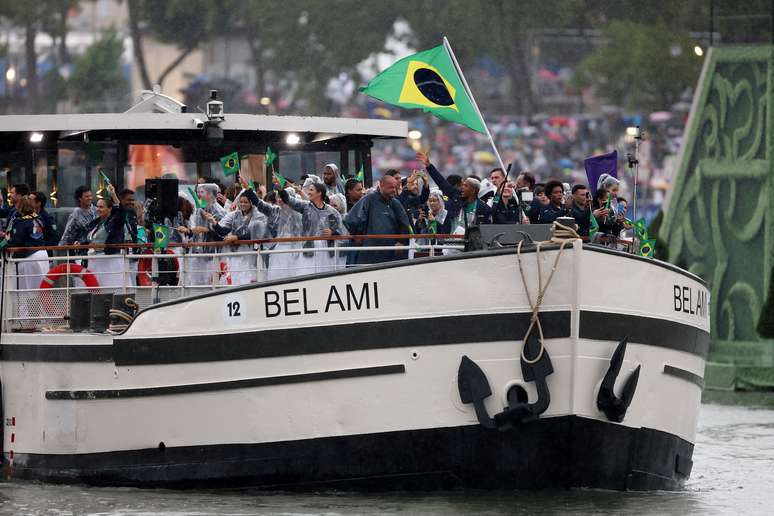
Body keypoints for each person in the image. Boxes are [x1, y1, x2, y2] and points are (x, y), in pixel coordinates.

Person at [275, 175, 346, 275]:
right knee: (306, 273)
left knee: (324, 275)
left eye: (311, 190)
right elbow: (289, 200)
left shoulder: (332, 212)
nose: (308, 192)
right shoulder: (305, 206)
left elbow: (340, 231)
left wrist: (332, 232)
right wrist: (280, 188)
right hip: (308, 248)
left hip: (325, 250)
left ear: (319, 193)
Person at [417, 151, 492, 235]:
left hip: (471, 242)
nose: (462, 187)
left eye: (466, 186)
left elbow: (487, 231)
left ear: (473, 190)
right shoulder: (457, 197)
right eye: (462, 185)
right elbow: (441, 182)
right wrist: (429, 166)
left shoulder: (484, 208)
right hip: (450, 240)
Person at [206, 184, 268, 285]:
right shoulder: (234, 215)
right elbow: (223, 231)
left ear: (251, 203)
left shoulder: (258, 215)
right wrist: (213, 222)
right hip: (235, 255)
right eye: (241, 202)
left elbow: (255, 234)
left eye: (246, 202)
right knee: (234, 280)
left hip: (251, 255)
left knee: (249, 281)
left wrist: (236, 237)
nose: (242, 204)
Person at [344, 173, 410, 265]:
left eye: (395, 188)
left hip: (391, 253)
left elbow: (405, 224)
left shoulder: (395, 203)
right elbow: (349, 219)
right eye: (391, 187)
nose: (394, 190)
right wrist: (356, 234)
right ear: (381, 186)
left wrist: (401, 241)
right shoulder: (368, 199)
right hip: (370, 253)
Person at [7, 196, 49, 326]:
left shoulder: (20, 222)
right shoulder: (39, 219)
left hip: (29, 258)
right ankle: (40, 319)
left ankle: (26, 321)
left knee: (26, 290)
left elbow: (16, 241)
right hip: (43, 255)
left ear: (20, 207)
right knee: (40, 289)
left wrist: (6, 241)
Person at [82, 184, 127, 288]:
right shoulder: (95, 222)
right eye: (97, 206)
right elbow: (89, 238)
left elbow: (122, 212)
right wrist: (80, 243)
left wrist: (113, 194)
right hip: (94, 261)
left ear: (110, 209)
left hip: (109, 261)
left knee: (109, 289)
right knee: (95, 290)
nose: (98, 209)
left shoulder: (115, 222)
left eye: (101, 207)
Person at [188, 183, 227, 286]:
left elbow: (221, 232)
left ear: (210, 194)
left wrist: (205, 230)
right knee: (196, 284)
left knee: (211, 284)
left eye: (202, 192)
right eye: (198, 192)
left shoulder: (219, 211)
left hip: (213, 255)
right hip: (198, 254)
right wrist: (190, 233)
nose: (198, 195)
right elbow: (195, 228)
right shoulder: (199, 210)